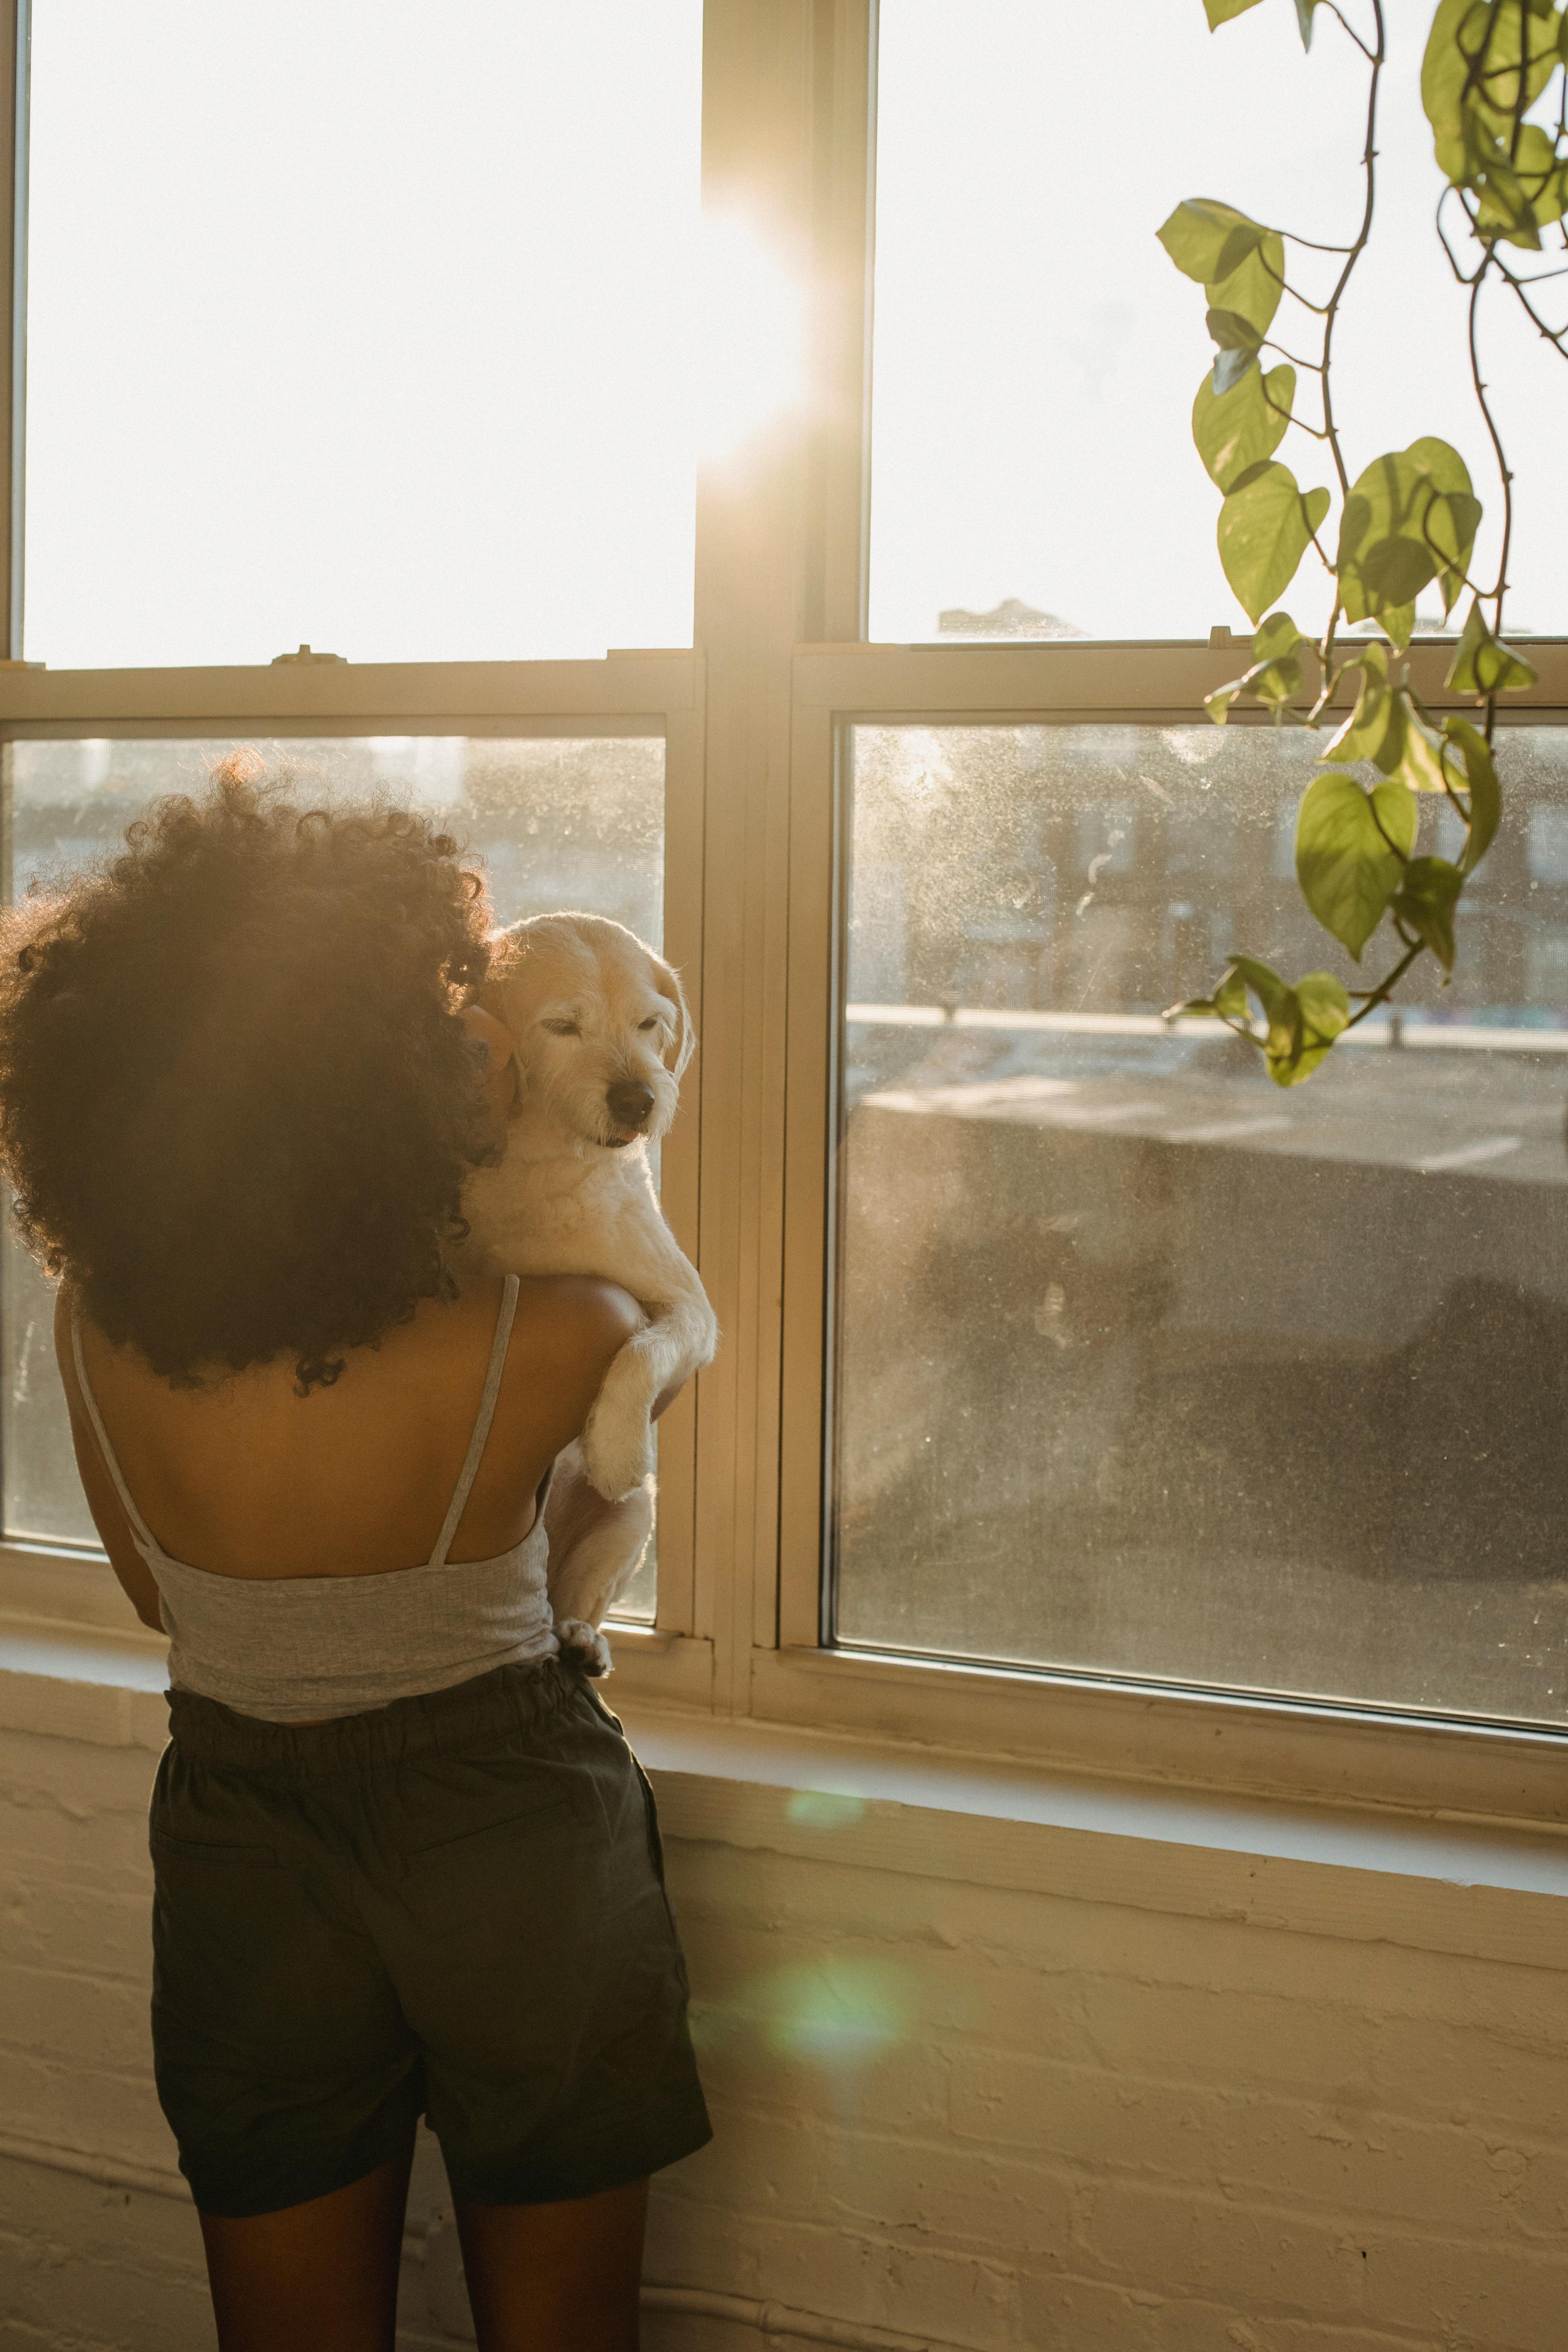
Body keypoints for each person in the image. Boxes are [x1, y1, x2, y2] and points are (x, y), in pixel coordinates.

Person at [0, 762, 710, 2352]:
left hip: (245, 1845)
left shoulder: (92, 1324)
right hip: (512, 1835)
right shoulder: (565, 1329)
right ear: (380, 1073)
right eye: (453, 1020)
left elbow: (154, 1598)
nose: (477, 1045)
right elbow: (586, 1562)